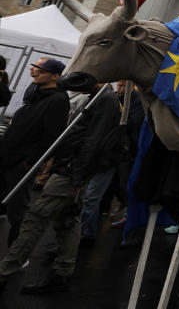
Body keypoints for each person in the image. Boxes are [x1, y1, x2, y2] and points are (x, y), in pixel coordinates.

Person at [0, 67, 111, 294]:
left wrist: (76, 175)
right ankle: (62, 272)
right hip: (69, 167)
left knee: (36, 216)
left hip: (71, 171)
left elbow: (93, 141)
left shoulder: (105, 100)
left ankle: (5, 270)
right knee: (66, 221)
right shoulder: (95, 97)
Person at [0, 58, 68, 248]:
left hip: (21, 162)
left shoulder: (58, 100)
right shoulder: (36, 91)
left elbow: (51, 138)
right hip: (7, 154)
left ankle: (18, 251)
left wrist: (28, 163)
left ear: (55, 75)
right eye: (34, 66)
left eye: (39, 68)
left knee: (18, 209)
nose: (33, 70)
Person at [78, 83, 123, 244]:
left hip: (104, 159)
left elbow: (97, 135)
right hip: (101, 158)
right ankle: (83, 232)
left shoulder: (107, 99)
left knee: (90, 198)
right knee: (88, 198)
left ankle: (86, 234)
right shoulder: (105, 98)